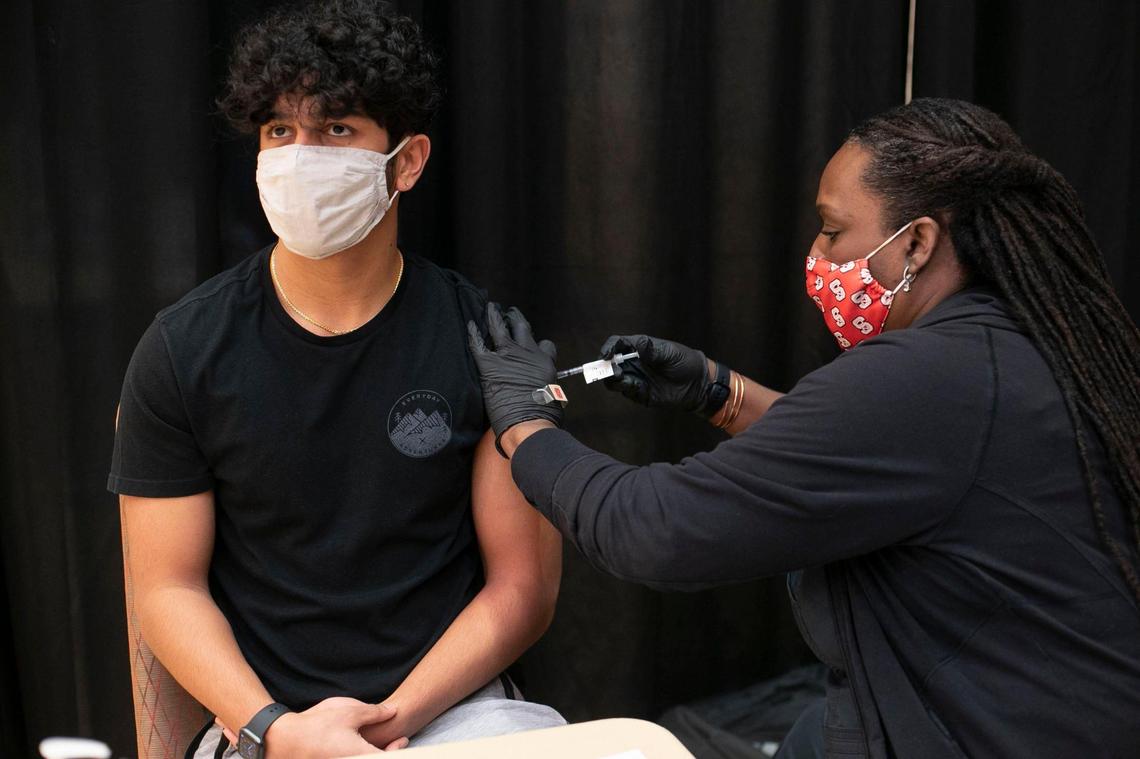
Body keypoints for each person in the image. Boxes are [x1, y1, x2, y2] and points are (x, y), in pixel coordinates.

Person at [467, 98, 1140, 758]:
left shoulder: (925, 375)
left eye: (832, 231)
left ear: (918, 241)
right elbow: (875, 462)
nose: (817, 256)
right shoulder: (1020, 345)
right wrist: (719, 391)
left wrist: (525, 425)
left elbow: (656, 528)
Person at [109, 2, 564, 757]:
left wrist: (390, 721)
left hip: (453, 710)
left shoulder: (487, 340)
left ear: (408, 160)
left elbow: (523, 587)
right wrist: (277, 729)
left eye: (337, 129)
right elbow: (166, 588)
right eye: (280, 131)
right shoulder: (182, 349)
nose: (301, 156)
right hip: (256, 719)